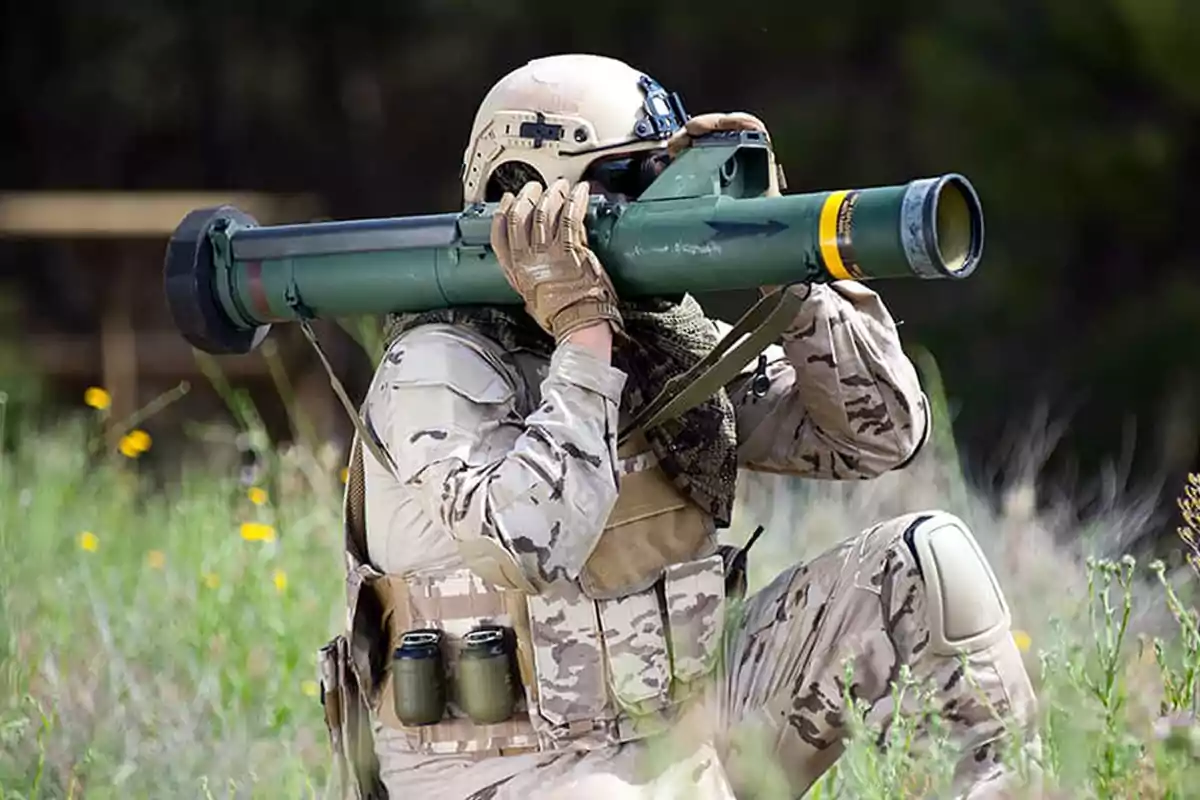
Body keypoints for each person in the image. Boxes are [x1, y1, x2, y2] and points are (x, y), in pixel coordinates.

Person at [318, 53, 1039, 800]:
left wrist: (786, 264)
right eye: (629, 181)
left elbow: (878, 433)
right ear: (527, 195)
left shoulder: (661, 344)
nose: (658, 203)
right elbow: (530, 545)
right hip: (510, 775)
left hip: (682, 741)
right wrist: (583, 342)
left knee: (922, 566)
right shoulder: (436, 366)